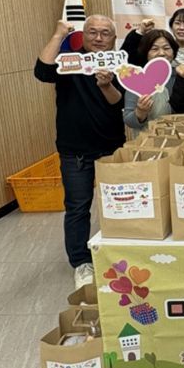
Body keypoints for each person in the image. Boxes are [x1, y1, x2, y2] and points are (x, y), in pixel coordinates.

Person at [34, 15, 125, 289]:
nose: (98, 38)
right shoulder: (69, 62)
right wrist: (58, 34)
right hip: (74, 151)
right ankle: (81, 263)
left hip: (111, 147)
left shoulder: (119, 63)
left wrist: (106, 84)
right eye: (92, 32)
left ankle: (117, 254)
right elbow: (42, 71)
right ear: (83, 35)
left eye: (105, 33)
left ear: (114, 38)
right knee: (77, 207)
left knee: (119, 204)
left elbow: (118, 102)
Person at [123, 29, 179, 137]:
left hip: (180, 137)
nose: (161, 53)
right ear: (146, 52)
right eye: (154, 49)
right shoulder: (138, 79)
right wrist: (140, 112)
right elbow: (128, 121)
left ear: (173, 51)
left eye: (166, 48)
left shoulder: (181, 75)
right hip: (149, 141)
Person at [120, 8, 184, 66]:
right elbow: (126, 59)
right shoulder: (161, 43)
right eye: (177, 23)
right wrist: (140, 31)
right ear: (171, 26)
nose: (181, 28)